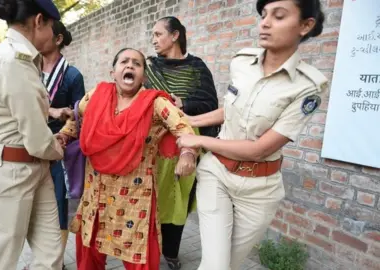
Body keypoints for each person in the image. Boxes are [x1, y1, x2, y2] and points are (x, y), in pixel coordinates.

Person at [175, 0, 328, 269]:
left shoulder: (309, 86)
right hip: (217, 173)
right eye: (263, 14)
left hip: (260, 189)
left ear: (305, 25)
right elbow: (232, 110)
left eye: (278, 16)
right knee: (216, 266)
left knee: (229, 265)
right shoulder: (241, 63)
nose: (265, 23)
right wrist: (190, 120)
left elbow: (259, 149)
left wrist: (198, 139)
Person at [59, 48, 198, 270]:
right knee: (89, 254)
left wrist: (188, 153)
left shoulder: (155, 103)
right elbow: (76, 119)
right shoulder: (97, 95)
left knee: (139, 256)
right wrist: (63, 136)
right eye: (124, 61)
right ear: (113, 71)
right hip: (96, 193)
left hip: (135, 198)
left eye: (137, 63)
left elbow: (183, 127)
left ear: (143, 76)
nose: (130, 65)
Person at [0, 0, 68, 269]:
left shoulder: (21, 58)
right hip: (8, 174)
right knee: (3, 261)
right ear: (39, 21)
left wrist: (52, 114)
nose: (52, 34)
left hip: (34, 168)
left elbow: (23, 111)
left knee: (51, 258)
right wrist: (59, 147)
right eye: (50, 26)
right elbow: (37, 139)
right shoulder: (13, 60)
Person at [145, 16, 219, 270]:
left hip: (186, 144)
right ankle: (147, 248)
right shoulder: (150, 68)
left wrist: (183, 104)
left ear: (175, 35)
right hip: (153, 145)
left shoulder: (197, 68)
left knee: (178, 200)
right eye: (152, 35)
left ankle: (171, 252)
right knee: (151, 196)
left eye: (158, 34)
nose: (153, 40)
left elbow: (211, 104)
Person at [42, 20, 85, 265]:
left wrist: (68, 117)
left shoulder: (72, 75)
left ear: (58, 39)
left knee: (60, 204)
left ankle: (55, 261)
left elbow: (81, 114)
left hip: (61, 148)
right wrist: (51, 111)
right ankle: (42, 257)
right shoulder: (29, 69)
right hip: (29, 145)